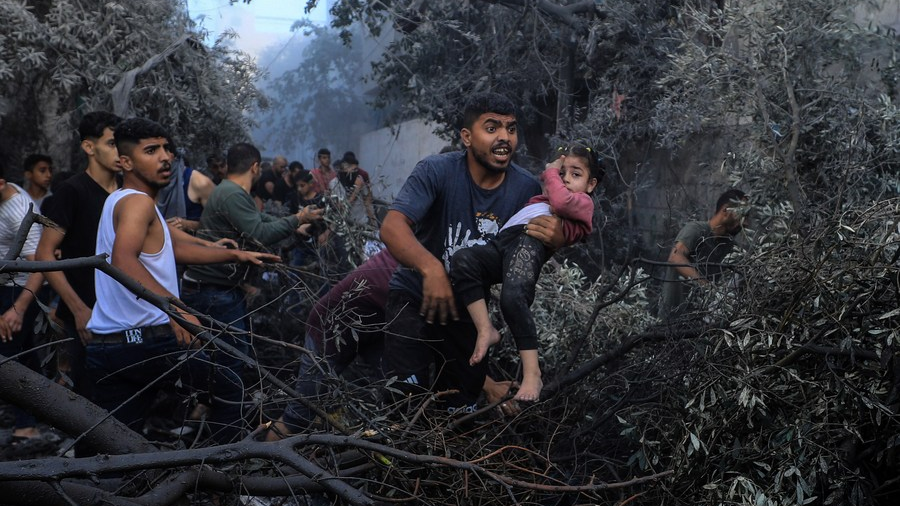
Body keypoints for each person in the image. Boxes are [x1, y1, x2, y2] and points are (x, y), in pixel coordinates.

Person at [85, 118, 279, 442]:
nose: (165, 157)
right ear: (126, 162)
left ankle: (120, 486)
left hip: (108, 345)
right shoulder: (139, 202)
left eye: (166, 148)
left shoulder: (119, 199)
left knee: (119, 437)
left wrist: (234, 255)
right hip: (149, 342)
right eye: (151, 150)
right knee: (231, 386)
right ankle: (226, 478)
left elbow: (171, 248)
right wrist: (178, 310)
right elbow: (123, 259)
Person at [379, 91, 564, 414]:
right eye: (491, 128)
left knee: (459, 410)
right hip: (413, 297)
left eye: (511, 128)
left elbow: (525, 257)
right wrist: (431, 268)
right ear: (466, 137)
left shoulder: (526, 190)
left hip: (467, 309)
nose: (504, 137)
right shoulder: (436, 171)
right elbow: (392, 227)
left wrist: (555, 238)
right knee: (403, 406)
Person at [266, 249, 522, 439]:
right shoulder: (413, 278)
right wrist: (487, 385)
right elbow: (443, 343)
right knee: (298, 417)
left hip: (375, 334)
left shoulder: (430, 257)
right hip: (329, 330)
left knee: (403, 405)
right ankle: (256, 483)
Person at [450, 144, 601, 401]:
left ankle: (533, 373)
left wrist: (551, 172)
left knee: (513, 298)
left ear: (591, 184)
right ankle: (485, 328)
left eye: (575, 174)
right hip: (503, 244)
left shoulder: (582, 202)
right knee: (463, 260)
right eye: (563, 172)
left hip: (528, 241)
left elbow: (562, 202)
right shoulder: (545, 200)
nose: (565, 178)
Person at [181, 143, 323, 377]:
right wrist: (298, 218)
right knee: (232, 361)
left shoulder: (231, 191)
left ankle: (207, 405)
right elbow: (260, 233)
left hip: (218, 289)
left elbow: (259, 218)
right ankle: (223, 411)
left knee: (225, 355)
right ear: (256, 167)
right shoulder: (231, 194)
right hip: (213, 291)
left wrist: (296, 224)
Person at [36, 111, 122, 394]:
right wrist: (78, 309)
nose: (120, 151)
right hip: (85, 316)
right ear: (89, 147)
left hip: (122, 315)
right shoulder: (72, 191)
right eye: (112, 143)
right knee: (88, 398)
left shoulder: (125, 194)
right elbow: (45, 254)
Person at [0, 162, 46, 440]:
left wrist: (17, 309)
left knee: (11, 359)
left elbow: (39, 266)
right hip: (5, 287)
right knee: (25, 353)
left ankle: (26, 424)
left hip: (18, 290)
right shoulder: (3, 199)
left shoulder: (19, 211)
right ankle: (35, 417)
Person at [658, 188, 748, 320]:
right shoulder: (696, 230)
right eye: (742, 215)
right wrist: (706, 287)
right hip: (671, 320)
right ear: (725, 210)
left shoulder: (729, 246)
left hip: (698, 323)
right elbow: (675, 257)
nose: (745, 223)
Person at [332, 151, 376, 226]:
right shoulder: (335, 184)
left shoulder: (359, 179)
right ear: (345, 169)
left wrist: (373, 222)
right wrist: (356, 190)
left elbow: (367, 201)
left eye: (356, 170)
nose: (356, 172)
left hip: (362, 222)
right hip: (346, 226)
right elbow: (341, 208)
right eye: (353, 170)